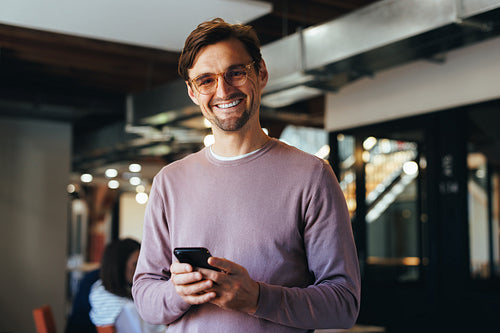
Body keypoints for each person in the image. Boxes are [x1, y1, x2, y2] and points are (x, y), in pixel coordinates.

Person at [133, 18, 360, 332]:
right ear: (192, 92)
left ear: (261, 73)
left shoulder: (312, 176)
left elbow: (343, 305)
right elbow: (145, 297)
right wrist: (178, 292)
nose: (223, 90)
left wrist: (257, 298)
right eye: (206, 80)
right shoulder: (169, 182)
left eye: (235, 72)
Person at [89, 238, 164, 333]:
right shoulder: (103, 295)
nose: (140, 270)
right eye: (135, 264)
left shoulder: (133, 288)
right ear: (119, 267)